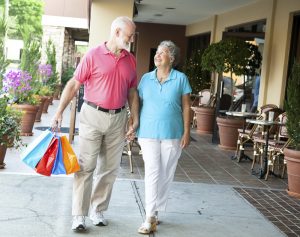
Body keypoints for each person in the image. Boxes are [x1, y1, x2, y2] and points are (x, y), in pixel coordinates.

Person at [51, 16, 139, 231]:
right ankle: (79, 215)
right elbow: (74, 84)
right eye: (130, 35)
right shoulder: (93, 55)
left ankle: (97, 209)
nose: (132, 39)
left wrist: (134, 117)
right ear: (117, 32)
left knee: (109, 169)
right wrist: (60, 111)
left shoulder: (131, 59)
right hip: (92, 115)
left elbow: (132, 91)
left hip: (118, 118)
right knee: (86, 166)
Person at [136, 40, 191, 234]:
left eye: (162, 53)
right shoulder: (145, 79)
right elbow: (137, 104)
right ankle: (149, 216)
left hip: (172, 133)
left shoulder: (181, 78)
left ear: (172, 58)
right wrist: (133, 123)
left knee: (166, 173)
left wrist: (187, 131)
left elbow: (186, 106)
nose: (157, 55)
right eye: (157, 52)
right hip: (148, 132)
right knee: (152, 171)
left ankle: (156, 210)